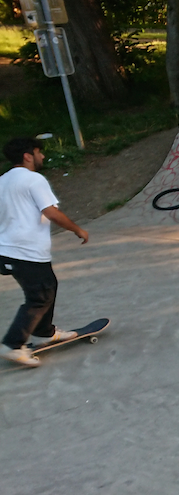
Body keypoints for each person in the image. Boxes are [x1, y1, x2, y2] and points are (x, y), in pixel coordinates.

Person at [0, 137, 89, 367]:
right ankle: (13, 345)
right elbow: (51, 212)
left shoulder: (3, 181)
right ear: (28, 156)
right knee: (39, 297)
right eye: (39, 152)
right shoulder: (33, 179)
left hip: (9, 249)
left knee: (48, 287)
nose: (43, 157)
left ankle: (46, 331)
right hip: (25, 250)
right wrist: (77, 229)